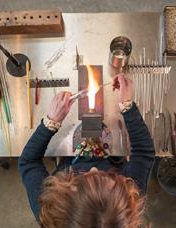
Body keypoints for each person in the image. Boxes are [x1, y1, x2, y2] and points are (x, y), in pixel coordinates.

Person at [19, 74, 155, 228]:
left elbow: (28, 162)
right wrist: (127, 106)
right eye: (108, 179)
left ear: (64, 198)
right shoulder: (125, 205)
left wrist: (51, 123)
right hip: (112, 159)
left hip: (69, 161)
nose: (94, 168)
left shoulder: (51, 210)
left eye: (82, 178)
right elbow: (144, 153)